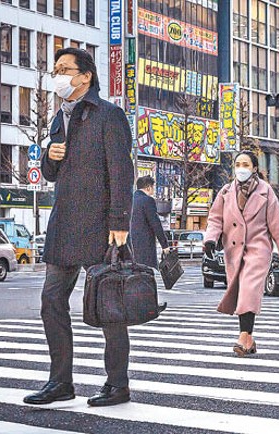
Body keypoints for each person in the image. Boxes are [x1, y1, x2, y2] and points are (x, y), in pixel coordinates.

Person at [23, 48, 134, 407]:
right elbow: (53, 173)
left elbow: (121, 170)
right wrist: (47, 157)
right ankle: (60, 382)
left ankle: (117, 384)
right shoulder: (59, 117)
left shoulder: (109, 115)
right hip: (64, 223)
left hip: (100, 224)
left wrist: (120, 221)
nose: (57, 75)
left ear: (85, 76)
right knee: (51, 301)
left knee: (108, 306)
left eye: (64, 69)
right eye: (55, 69)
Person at [204, 151, 279, 356]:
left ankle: (244, 337)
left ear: (254, 168)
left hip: (258, 248)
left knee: (249, 290)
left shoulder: (265, 191)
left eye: (245, 164)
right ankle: (249, 339)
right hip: (233, 250)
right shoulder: (226, 191)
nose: (241, 168)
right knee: (241, 292)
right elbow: (215, 218)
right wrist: (210, 239)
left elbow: (276, 223)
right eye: (237, 164)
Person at [130, 176, 169, 269]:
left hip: (130, 246)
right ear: (148, 187)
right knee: (145, 275)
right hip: (144, 247)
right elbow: (155, 224)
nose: (154, 190)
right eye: (153, 187)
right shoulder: (148, 200)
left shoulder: (130, 199)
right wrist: (164, 245)